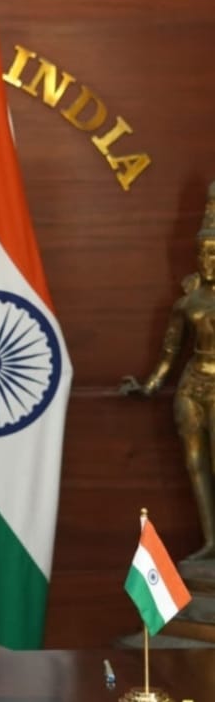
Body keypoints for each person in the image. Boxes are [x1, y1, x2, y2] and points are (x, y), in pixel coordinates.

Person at [120, 180, 215, 562]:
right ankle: (211, 541)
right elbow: (170, 352)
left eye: (214, 253)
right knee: (195, 465)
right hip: (192, 385)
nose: (208, 261)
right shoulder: (187, 303)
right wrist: (149, 386)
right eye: (203, 254)